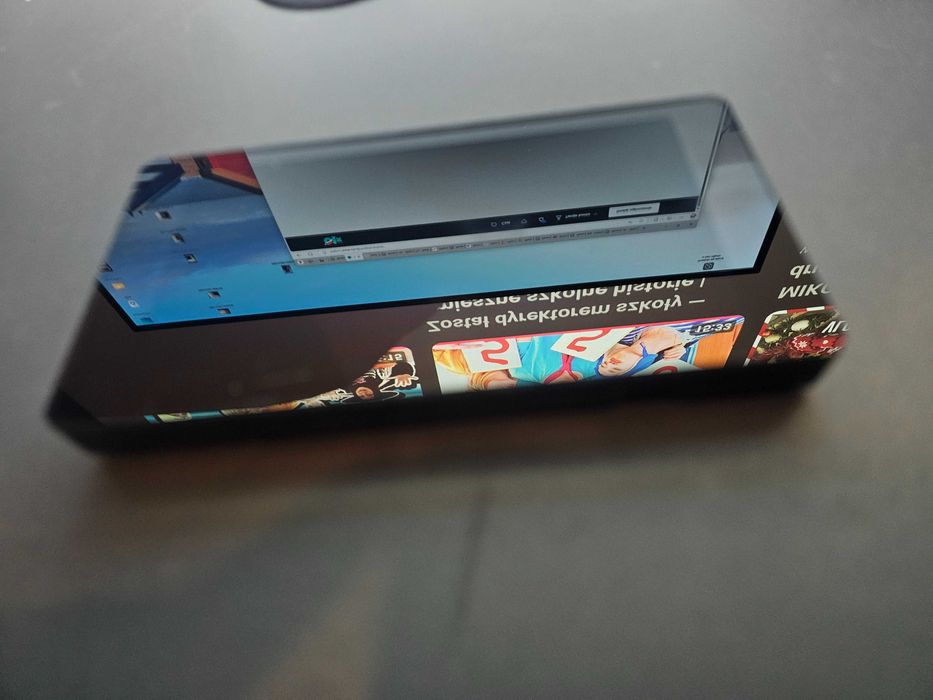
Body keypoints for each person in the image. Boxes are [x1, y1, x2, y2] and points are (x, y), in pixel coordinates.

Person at [438, 325, 686, 391]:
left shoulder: (523, 372)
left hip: (515, 348)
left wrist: (493, 381)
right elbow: (665, 334)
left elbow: (477, 374)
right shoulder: (616, 368)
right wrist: (644, 349)